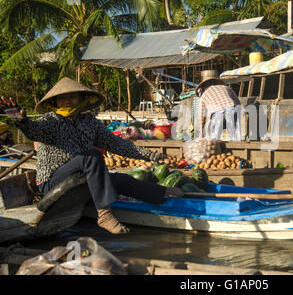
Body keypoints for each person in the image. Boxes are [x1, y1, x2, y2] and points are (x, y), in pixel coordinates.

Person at [0, 77, 183, 234]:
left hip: (80, 180)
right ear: (55, 102)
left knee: (123, 180)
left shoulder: (89, 122)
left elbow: (116, 144)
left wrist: (151, 156)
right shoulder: (50, 121)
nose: (67, 101)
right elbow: (32, 130)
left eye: (71, 96)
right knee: (92, 156)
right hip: (52, 182)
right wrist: (19, 119)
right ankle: (104, 214)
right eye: (62, 98)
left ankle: (164, 193)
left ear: (81, 99)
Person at [194, 70, 241, 141]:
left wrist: (201, 134)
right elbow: (238, 103)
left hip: (218, 114)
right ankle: (238, 146)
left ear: (203, 87)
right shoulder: (226, 88)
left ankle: (215, 146)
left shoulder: (204, 95)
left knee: (214, 138)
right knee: (234, 136)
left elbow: (201, 117)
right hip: (232, 110)